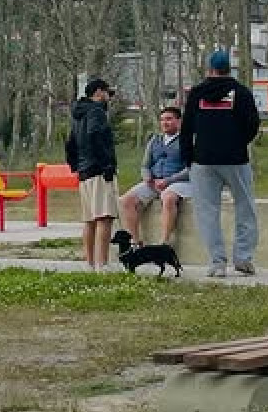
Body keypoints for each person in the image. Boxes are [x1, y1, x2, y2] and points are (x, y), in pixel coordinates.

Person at [180, 50, 262, 277]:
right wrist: (237, 142)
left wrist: (189, 157)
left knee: (208, 212)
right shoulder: (242, 93)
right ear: (229, 69)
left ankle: (217, 262)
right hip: (235, 159)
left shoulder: (197, 94)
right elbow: (253, 124)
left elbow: (186, 129)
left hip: (203, 160)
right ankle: (243, 258)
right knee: (245, 207)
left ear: (209, 69)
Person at [65, 78, 119, 271]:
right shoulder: (96, 111)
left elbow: (70, 142)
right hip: (98, 169)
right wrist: (107, 164)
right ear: (98, 92)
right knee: (104, 217)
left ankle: (89, 263)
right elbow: (95, 135)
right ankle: (103, 263)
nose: (108, 98)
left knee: (89, 219)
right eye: (107, 93)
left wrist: (75, 166)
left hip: (84, 170)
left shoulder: (78, 113)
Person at [119, 106, 192, 245]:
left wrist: (168, 180)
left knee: (168, 197)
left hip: (179, 182)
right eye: (162, 119)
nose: (165, 123)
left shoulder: (187, 140)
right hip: (154, 182)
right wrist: (148, 178)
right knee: (126, 200)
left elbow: (191, 168)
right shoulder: (155, 140)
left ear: (179, 121)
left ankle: (164, 242)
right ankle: (135, 241)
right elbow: (145, 165)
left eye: (169, 119)